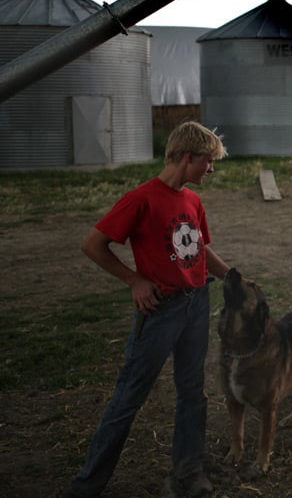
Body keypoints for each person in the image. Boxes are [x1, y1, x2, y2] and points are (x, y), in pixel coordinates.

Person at [65, 121, 231, 498]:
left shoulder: (192, 200)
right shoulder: (141, 198)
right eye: (208, 161)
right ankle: (87, 485)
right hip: (161, 311)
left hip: (196, 303)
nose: (211, 169)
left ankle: (189, 472)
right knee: (128, 398)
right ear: (187, 157)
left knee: (192, 392)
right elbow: (94, 245)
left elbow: (199, 250)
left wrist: (233, 277)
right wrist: (134, 280)